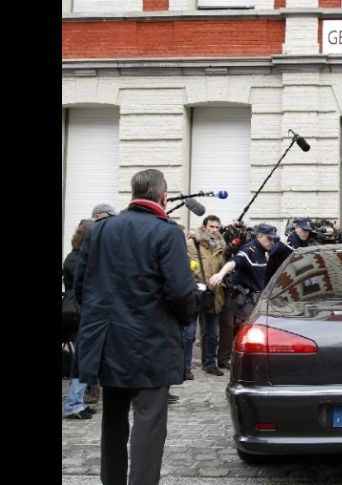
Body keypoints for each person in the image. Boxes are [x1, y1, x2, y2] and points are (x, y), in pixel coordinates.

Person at [74, 169, 197, 485]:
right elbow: (182, 291)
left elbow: (81, 286)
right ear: (163, 196)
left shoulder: (100, 230)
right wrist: (183, 321)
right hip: (150, 343)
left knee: (113, 419)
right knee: (149, 421)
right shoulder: (166, 232)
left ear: (133, 194)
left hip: (109, 341)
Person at [185, 215, 227, 378]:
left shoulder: (222, 245)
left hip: (214, 292)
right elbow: (185, 263)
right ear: (204, 226)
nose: (214, 230)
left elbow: (223, 266)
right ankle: (185, 366)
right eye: (211, 227)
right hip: (195, 291)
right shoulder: (192, 243)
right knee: (189, 332)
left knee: (212, 332)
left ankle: (210, 363)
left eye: (217, 227)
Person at [62, 218, 95, 420]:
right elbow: (83, 285)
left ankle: (78, 401)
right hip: (76, 316)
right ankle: (74, 403)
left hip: (84, 313)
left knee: (85, 358)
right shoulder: (75, 259)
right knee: (82, 359)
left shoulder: (82, 257)